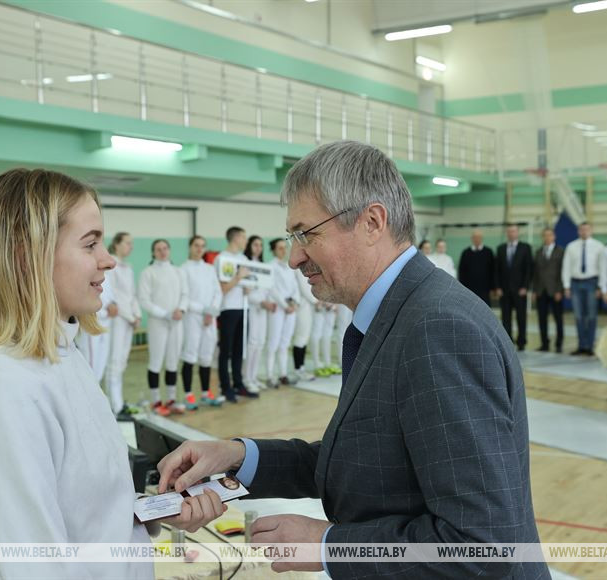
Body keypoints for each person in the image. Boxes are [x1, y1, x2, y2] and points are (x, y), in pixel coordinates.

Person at [155, 141, 547, 578]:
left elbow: (481, 545)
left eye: (307, 234)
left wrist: (327, 546)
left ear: (372, 222)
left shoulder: (437, 328)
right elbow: (369, 459)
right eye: (292, 238)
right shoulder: (401, 313)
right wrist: (235, 456)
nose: (294, 257)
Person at [0, 168, 222, 579]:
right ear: (26, 254)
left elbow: (81, 512)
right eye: (90, 244)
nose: (108, 260)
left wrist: (153, 510)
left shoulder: (60, 357)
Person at [139, 240, 189, 416]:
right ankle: (156, 401)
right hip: (157, 322)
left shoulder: (178, 272)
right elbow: (144, 300)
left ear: (169, 250)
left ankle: (171, 399)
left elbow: (185, 294)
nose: (162, 252)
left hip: (177, 321)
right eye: (158, 249)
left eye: (165, 248)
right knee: (156, 361)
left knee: (173, 361)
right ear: (153, 253)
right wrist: (165, 313)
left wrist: (181, 309)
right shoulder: (148, 272)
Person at [180, 236, 222, 409]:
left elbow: (217, 292)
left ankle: (206, 393)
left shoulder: (209, 269)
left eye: (202, 246)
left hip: (209, 318)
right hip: (192, 317)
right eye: (196, 245)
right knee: (190, 355)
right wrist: (203, 310)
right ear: (190, 247)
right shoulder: (183, 269)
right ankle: (188, 394)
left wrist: (211, 311)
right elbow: (184, 297)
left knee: (206, 356)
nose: (199, 249)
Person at [217, 227, 257, 402]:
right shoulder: (222, 258)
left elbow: (250, 282)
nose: (245, 241)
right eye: (243, 237)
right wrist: (239, 278)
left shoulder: (243, 259)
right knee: (226, 350)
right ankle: (225, 387)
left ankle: (238, 384)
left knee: (239, 349)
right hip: (228, 309)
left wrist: (248, 286)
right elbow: (223, 288)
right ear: (235, 238)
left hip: (244, 308)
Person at [104, 232, 141, 421]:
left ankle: (118, 403)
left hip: (129, 319)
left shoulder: (128, 268)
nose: (130, 247)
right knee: (115, 362)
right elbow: (114, 295)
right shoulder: (111, 266)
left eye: (131, 243)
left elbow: (132, 295)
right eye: (127, 243)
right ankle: (114, 406)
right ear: (116, 244)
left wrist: (137, 315)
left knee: (122, 362)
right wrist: (129, 316)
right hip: (118, 319)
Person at [562, 222, 605, 355]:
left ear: (591, 230)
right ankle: (581, 345)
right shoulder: (571, 246)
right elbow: (566, 266)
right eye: (582, 229)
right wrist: (566, 286)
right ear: (578, 231)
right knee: (578, 316)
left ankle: (590, 346)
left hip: (592, 282)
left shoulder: (599, 246)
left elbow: (602, 268)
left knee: (591, 316)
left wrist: (600, 287)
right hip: (575, 283)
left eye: (587, 229)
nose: (584, 232)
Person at [265, 238, 299, 388]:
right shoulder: (270, 267)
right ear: (273, 250)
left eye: (285, 248)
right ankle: (269, 376)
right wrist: (285, 305)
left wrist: (294, 303)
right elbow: (272, 288)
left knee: (285, 343)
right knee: (273, 342)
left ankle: (283, 374)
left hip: (290, 309)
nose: (284, 251)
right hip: (278, 309)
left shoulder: (289, 267)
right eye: (280, 248)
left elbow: (295, 287)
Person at [494, 224, 533, 350]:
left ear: (518, 233)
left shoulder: (525, 248)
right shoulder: (500, 248)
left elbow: (528, 269)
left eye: (514, 231)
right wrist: (498, 287)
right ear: (507, 233)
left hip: (520, 290)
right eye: (509, 231)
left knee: (521, 317)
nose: (511, 233)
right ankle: (508, 342)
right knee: (506, 318)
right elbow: (497, 270)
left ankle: (522, 341)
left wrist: (525, 287)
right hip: (504, 290)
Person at [75, 274, 117, 383]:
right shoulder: (84, 272)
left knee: (100, 366)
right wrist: (105, 312)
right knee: (90, 367)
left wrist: (113, 306)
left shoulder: (106, 275)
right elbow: (82, 300)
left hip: (106, 324)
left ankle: (95, 396)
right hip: (90, 325)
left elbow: (111, 298)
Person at [243, 236, 272, 391]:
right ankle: (247, 378)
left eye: (261, 245)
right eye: (255, 244)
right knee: (252, 344)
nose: (258, 248)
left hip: (263, 309)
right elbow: (247, 291)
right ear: (249, 246)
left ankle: (253, 377)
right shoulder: (246, 265)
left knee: (260, 343)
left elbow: (267, 289)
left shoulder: (263, 266)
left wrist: (266, 302)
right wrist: (259, 302)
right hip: (252, 309)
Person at [532, 228, 564, 352]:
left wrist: (559, 290)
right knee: (542, 319)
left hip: (555, 290)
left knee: (558, 318)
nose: (547, 237)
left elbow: (562, 272)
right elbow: (535, 273)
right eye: (545, 235)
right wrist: (534, 290)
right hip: (541, 291)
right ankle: (544, 343)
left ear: (554, 236)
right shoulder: (538, 252)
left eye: (549, 235)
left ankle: (559, 343)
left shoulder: (560, 251)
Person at [291, 265, 318, 382]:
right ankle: (298, 369)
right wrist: (317, 301)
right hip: (301, 306)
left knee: (304, 337)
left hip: (308, 306)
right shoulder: (298, 269)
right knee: (300, 337)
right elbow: (304, 288)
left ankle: (301, 368)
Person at [458, 228, 496, 305]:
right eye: (475, 237)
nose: (477, 239)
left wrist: (493, 288)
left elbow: (493, 270)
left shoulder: (488, 252)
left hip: (485, 288)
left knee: (485, 309)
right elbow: (461, 271)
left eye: (479, 237)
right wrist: (462, 288)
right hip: (469, 289)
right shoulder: (466, 252)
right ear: (471, 238)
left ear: (482, 238)